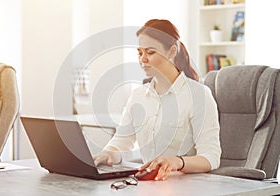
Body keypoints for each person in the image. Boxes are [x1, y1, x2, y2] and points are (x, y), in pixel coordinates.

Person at [93, 19, 221, 181]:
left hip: (186, 185)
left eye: (150, 52)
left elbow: (211, 157)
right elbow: (122, 142)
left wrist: (177, 162)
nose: (143, 59)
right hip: (148, 185)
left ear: (172, 51)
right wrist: (108, 153)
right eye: (140, 53)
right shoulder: (138, 95)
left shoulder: (199, 95)